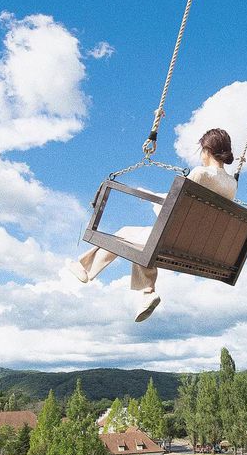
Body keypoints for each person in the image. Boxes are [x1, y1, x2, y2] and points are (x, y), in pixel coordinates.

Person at [68, 128, 238, 321]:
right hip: (202, 247)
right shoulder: (232, 184)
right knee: (134, 241)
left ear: (206, 150)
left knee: (129, 237)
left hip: (175, 239)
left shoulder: (201, 173)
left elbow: (175, 207)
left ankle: (88, 269)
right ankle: (138, 290)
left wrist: (149, 197)